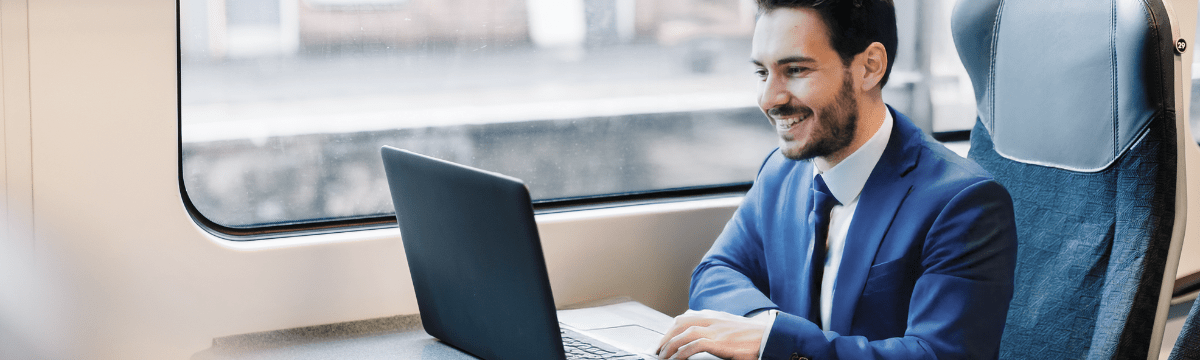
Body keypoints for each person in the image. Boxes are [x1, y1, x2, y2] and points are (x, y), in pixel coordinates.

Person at [655, 0, 1018, 359]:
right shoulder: (782, 173)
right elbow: (717, 271)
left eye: (795, 70)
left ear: (869, 68)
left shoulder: (963, 203)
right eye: (763, 73)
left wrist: (777, 342)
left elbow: (935, 355)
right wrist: (763, 326)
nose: (769, 99)